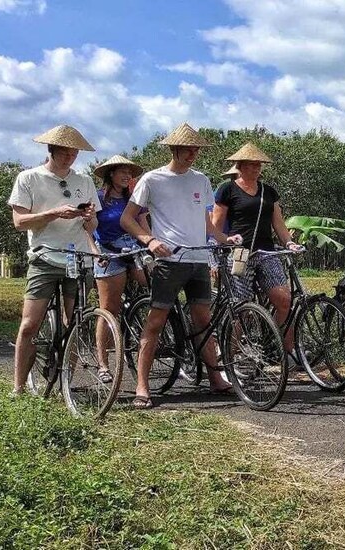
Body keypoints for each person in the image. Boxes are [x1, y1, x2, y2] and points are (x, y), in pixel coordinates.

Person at [120, 122, 242, 409]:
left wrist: (223, 238)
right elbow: (127, 218)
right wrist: (149, 240)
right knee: (155, 322)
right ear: (174, 149)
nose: (193, 154)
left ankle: (215, 378)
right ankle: (142, 385)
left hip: (199, 259)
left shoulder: (200, 179)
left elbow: (204, 219)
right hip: (170, 260)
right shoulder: (152, 179)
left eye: (196, 149)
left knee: (203, 320)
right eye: (188, 149)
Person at [7, 124, 102, 395]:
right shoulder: (29, 178)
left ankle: (65, 383)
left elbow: (93, 226)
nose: (71, 156)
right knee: (29, 325)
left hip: (77, 258)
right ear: (52, 149)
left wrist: (89, 218)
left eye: (75, 152)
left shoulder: (84, 181)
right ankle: (18, 387)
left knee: (74, 323)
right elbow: (19, 222)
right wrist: (54, 213)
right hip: (45, 257)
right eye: (65, 151)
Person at [212, 143, 303, 353]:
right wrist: (223, 244)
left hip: (266, 252)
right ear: (240, 166)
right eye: (252, 165)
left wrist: (288, 242)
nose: (256, 169)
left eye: (259, 165)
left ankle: (281, 348)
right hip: (239, 254)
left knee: (284, 300)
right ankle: (229, 354)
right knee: (242, 307)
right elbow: (216, 226)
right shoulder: (227, 189)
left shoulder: (268, 192)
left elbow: (278, 224)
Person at [92, 155, 148, 380]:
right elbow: (89, 228)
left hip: (133, 249)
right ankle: (103, 364)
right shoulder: (98, 199)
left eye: (129, 172)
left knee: (151, 291)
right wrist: (97, 255)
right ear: (111, 174)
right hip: (108, 252)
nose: (127, 176)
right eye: (122, 172)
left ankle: (138, 327)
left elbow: (143, 226)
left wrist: (152, 246)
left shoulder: (134, 199)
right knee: (108, 309)